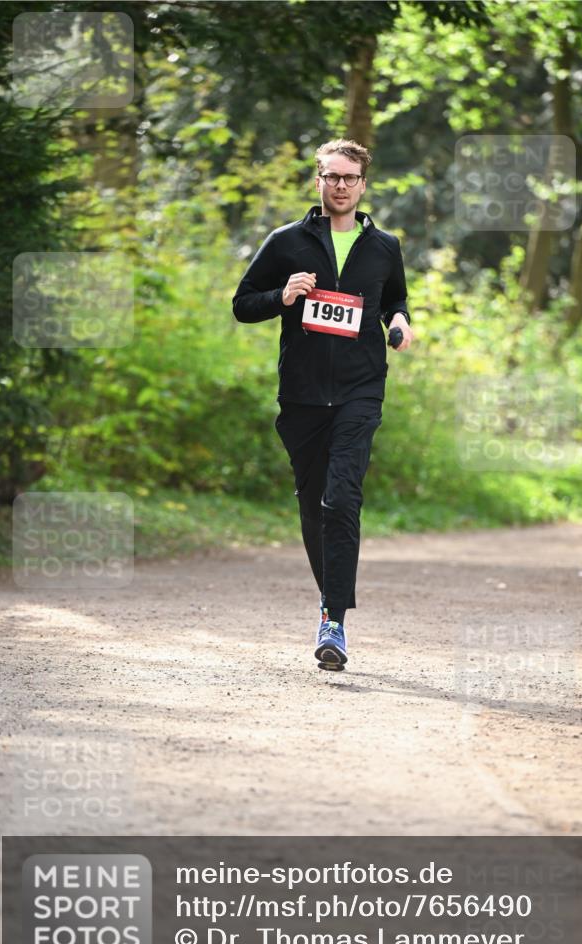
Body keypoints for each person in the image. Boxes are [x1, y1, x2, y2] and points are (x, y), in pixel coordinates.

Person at [232, 138, 414, 671]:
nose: (340, 186)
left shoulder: (384, 246)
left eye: (349, 178)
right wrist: (283, 297)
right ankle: (329, 599)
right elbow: (242, 305)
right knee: (313, 508)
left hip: (361, 391)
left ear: (363, 185)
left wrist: (399, 322)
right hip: (304, 396)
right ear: (318, 181)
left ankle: (333, 620)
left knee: (342, 498)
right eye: (331, 177)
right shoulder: (286, 242)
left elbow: (396, 299)